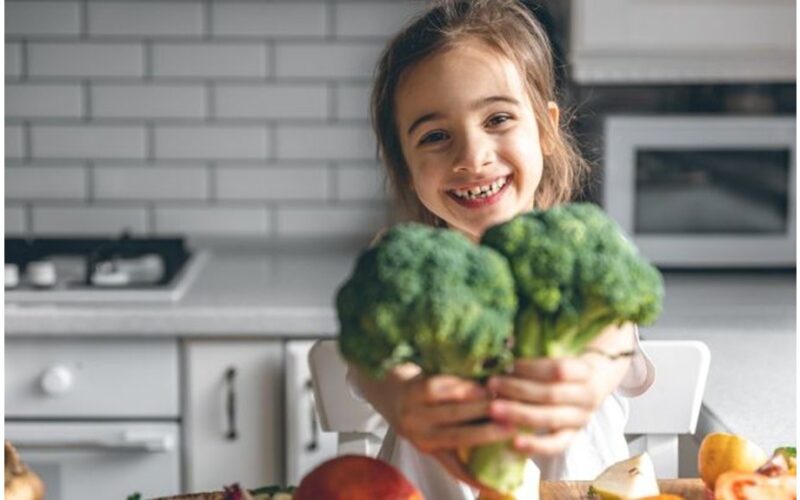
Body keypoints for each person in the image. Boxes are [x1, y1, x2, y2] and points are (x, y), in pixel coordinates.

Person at [347, 1, 655, 497]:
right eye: (436, 135)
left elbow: (613, 334)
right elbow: (369, 363)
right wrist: (403, 395)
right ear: (405, 166)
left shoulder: (586, 249)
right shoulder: (401, 264)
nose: (472, 157)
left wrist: (590, 375)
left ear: (547, 129)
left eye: (497, 119)